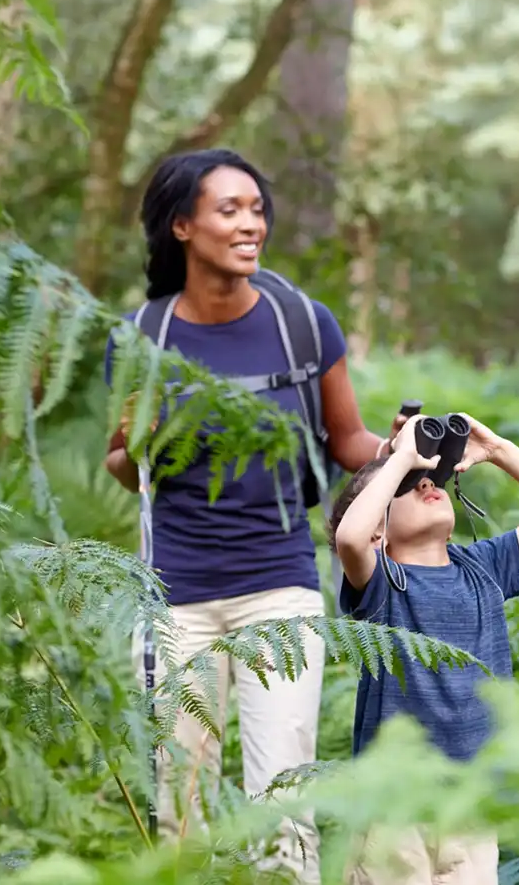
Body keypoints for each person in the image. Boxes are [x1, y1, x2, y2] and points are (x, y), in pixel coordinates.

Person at [102, 148, 399, 880]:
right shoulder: (143, 337)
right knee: (181, 799)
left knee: (282, 792)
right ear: (181, 227)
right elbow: (121, 461)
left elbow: (347, 439)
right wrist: (153, 443)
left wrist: (402, 451)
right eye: (228, 210)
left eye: (256, 209)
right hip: (175, 597)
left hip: (279, 586)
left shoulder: (304, 323)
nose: (250, 224)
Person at [330, 412, 519, 885]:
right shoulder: (383, 582)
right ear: (378, 532)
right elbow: (349, 536)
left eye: (433, 480)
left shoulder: (483, 567)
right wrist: (400, 457)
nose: (429, 485)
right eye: (409, 487)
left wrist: (498, 450)